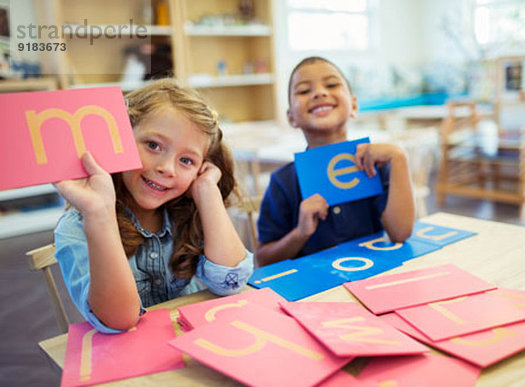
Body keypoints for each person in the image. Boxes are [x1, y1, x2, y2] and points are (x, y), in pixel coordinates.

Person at [54, 78, 253, 333]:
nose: (166, 168)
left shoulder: (188, 210)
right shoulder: (78, 227)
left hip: (194, 345)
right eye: (153, 145)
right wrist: (98, 214)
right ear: (119, 140)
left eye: (186, 161)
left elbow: (231, 282)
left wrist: (207, 190)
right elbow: (120, 320)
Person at [255, 56, 415, 267]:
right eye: (304, 91)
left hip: (373, 276)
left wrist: (399, 157)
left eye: (331, 85)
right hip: (314, 290)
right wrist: (300, 233)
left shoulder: (376, 165)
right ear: (291, 117)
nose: (319, 93)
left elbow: (400, 233)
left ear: (354, 105)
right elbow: (263, 260)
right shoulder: (283, 182)